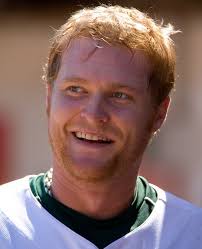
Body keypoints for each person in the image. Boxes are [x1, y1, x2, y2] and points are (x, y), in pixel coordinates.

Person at [0, 5, 202, 249]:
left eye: (119, 95)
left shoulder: (192, 236)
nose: (93, 114)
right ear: (49, 98)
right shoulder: (6, 225)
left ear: (159, 113)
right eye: (75, 89)